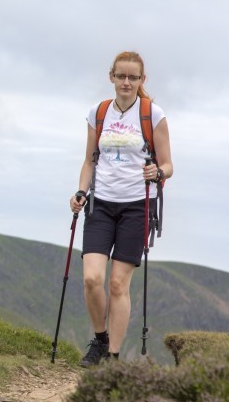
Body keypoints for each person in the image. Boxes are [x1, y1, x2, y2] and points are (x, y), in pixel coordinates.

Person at [69, 51, 174, 366]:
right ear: (111, 77)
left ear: (142, 80)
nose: (126, 82)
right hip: (100, 205)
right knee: (91, 278)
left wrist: (157, 172)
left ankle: (113, 356)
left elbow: (168, 165)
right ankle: (100, 340)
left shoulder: (152, 114)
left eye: (133, 77)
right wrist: (80, 192)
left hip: (137, 207)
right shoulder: (98, 113)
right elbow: (90, 160)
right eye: (121, 76)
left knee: (117, 284)